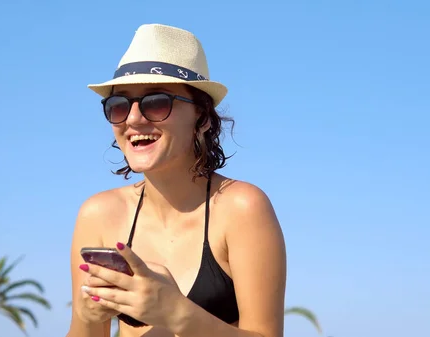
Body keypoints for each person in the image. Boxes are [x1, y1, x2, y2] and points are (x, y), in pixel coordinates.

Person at [67, 23, 287, 337]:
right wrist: (87, 319)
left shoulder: (242, 208)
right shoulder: (98, 214)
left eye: (156, 102)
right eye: (118, 105)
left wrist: (178, 314)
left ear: (202, 117)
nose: (132, 118)